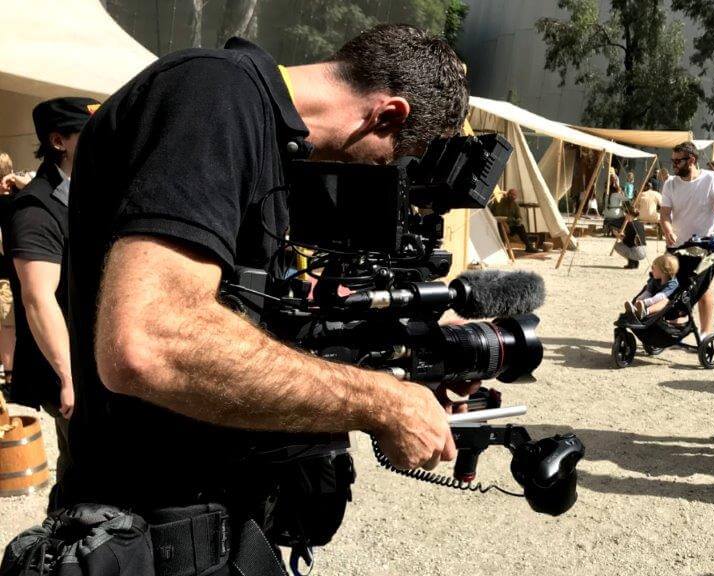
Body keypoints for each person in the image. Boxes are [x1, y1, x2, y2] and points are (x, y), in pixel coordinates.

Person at [62, 25, 473, 549]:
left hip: (207, 520)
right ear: (387, 116)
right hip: (140, 526)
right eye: (390, 166)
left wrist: (415, 355)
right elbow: (149, 343)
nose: (380, 181)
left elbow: (247, 325)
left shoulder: (271, 140)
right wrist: (383, 402)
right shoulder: (212, 94)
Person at [3, 97, 98, 506]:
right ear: (59, 141)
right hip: (74, 370)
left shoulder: (88, 194)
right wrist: (68, 376)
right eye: (88, 134)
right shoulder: (35, 208)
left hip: (103, 361)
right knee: (88, 477)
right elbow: (38, 298)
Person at [659, 142, 714, 336]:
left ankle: (705, 332)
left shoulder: (711, 179)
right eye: (673, 160)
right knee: (671, 286)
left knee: (702, 289)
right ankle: (673, 323)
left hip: (704, 247)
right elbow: (665, 215)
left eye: (678, 161)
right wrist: (667, 229)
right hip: (676, 246)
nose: (674, 164)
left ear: (691, 160)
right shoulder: (670, 184)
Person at [0, 152, 16, 382]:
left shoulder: (11, 203)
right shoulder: (18, 201)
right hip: (7, 276)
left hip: (5, 278)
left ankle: (10, 375)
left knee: (7, 325)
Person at [625, 253, 679, 319]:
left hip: (666, 305)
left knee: (665, 301)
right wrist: (638, 300)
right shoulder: (654, 279)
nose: (652, 271)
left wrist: (644, 302)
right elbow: (648, 292)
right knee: (641, 297)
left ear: (663, 271)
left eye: (654, 268)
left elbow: (660, 297)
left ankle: (646, 312)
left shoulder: (672, 283)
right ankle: (635, 310)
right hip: (651, 299)